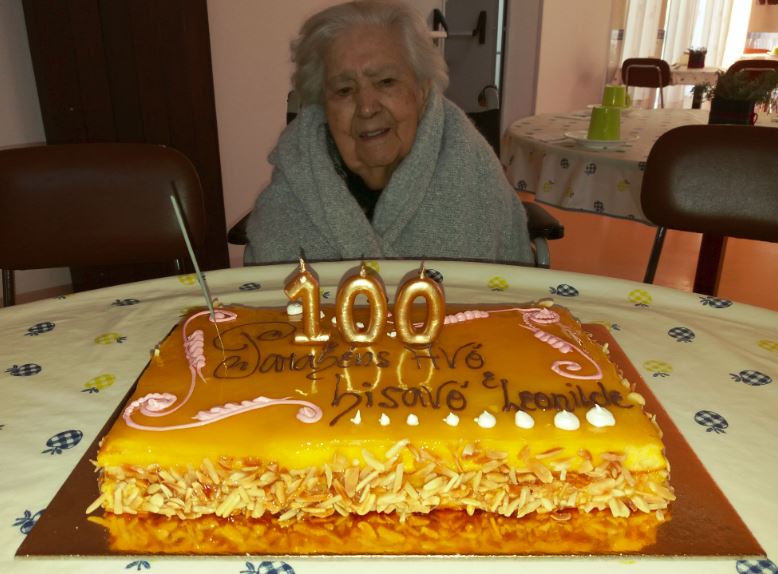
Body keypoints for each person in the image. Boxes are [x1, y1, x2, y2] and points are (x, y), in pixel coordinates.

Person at [243, 0, 533, 266]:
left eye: (385, 82)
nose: (366, 107)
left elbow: (513, 292)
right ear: (323, 106)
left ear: (422, 90)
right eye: (344, 90)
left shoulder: (473, 171)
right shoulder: (295, 182)